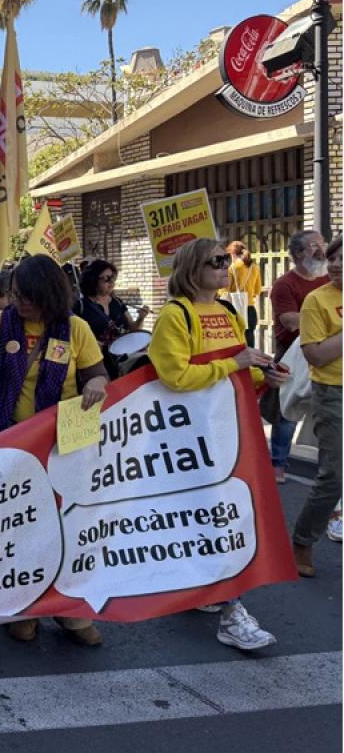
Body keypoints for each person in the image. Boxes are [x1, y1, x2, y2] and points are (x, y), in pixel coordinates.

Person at [0, 254, 107, 646]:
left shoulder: (76, 329)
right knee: (20, 531)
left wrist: (97, 383)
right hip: (9, 443)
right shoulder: (0, 323)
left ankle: (69, 612)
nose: (19, 302)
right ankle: (25, 609)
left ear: (48, 294)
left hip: (62, 447)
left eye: (26, 296)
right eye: (15, 295)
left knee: (64, 531)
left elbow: (96, 373)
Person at [148, 238, 285, 650]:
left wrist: (265, 376)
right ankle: (231, 611)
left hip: (229, 429)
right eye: (216, 261)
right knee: (218, 518)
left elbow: (236, 368)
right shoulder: (176, 315)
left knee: (221, 515)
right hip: (189, 437)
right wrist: (236, 364)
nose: (226, 267)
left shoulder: (226, 310)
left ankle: (210, 588)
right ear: (192, 269)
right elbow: (174, 376)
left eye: (226, 261)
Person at [290, 235, 342, 577]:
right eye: (334, 258)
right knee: (334, 477)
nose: (336, 264)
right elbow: (317, 355)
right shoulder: (316, 300)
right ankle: (303, 540)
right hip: (333, 393)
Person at [268, 230, 329, 483]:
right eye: (314, 245)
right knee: (287, 410)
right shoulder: (285, 285)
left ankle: (330, 467)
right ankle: (277, 466)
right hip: (292, 353)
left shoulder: (331, 281)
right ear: (298, 253)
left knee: (329, 408)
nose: (321, 249)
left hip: (327, 350)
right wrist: (325, 317)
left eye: (322, 244)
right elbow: (290, 321)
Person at [76, 260, 150, 378]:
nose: (112, 283)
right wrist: (91, 343)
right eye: (106, 279)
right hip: (96, 364)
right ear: (93, 280)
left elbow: (133, 329)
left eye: (113, 278)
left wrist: (141, 318)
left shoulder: (117, 302)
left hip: (121, 361)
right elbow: (74, 335)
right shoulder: (80, 306)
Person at [222, 241, 263, 347]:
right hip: (250, 310)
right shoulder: (255, 268)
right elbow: (257, 290)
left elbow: (224, 290)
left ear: (233, 254)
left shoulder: (232, 268)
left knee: (236, 341)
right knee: (249, 341)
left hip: (235, 309)